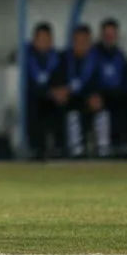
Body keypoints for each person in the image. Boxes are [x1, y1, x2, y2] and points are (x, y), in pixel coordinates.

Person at [50, 25, 107, 158]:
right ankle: (76, 152)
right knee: (72, 115)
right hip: (70, 102)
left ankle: (103, 151)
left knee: (102, 113)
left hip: (89, 100)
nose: (81, 44)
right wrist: (58, 91)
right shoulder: (63, 59)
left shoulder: (96, 60)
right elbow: (55, 82)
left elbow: (101, 84)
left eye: (84, 40)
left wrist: (97, 95)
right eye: (78, 40)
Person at [25, 22, 63, 160]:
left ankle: (58, 148)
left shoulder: (56, 58)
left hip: (50, 100)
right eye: (41, 39)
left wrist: (59, 92)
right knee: (35, 106)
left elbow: (60, 80)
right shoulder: (26, 57)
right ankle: (35, 149)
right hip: (33, 98)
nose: (44, 42)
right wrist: (48, 92)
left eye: (47, 39)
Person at [92, 18, 127, 157]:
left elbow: (126, 78)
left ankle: (122, 146)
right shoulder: (94, 53)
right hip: (99, 94)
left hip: (117, 95)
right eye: (107, 35)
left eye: (112, 35)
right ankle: (103, 149)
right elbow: (89, 76)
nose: (109, 38)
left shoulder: (120, 55)